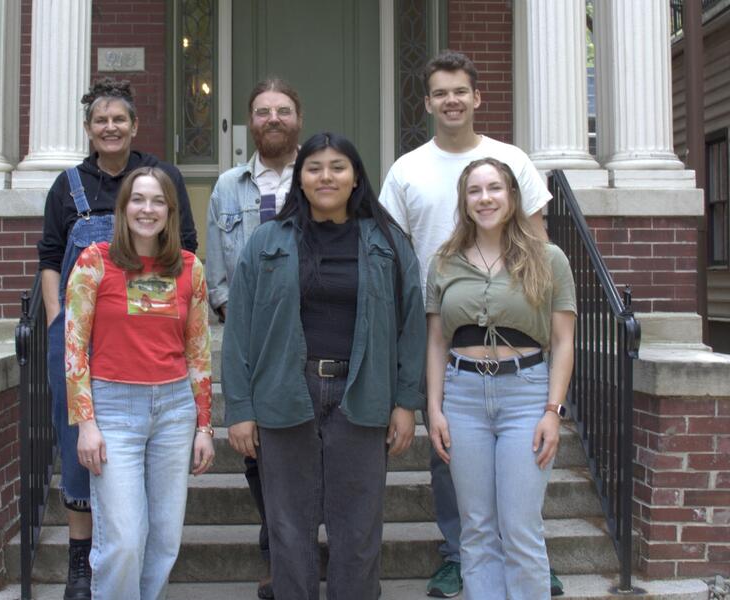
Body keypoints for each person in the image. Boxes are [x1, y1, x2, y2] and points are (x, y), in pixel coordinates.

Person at [378, 50, 553, 598]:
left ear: (477, 98)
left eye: (460, 91)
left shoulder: (511, 160)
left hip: (515, 338)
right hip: (443, 329)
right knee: (448, 451)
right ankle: (458, 553)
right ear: (427, 102)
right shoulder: (407, 169)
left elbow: (541, 245)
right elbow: (392, 250)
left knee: (520, 488)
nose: (451, 101)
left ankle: (521, 556)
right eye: (440, 93)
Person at [222, 132, 426, 600]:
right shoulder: (266, 242)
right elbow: (239, 334)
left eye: (338, 166)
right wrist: (240, 408)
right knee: (288, 528)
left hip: (363, 394)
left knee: (357, 528)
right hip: (285, 395)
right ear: (300, 178)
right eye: (314, 167)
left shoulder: (389, 242)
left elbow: (411, 325)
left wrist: (404, 403)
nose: (326, 176)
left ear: (356, 178)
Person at [36, 77, 197, 600]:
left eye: (119, 119)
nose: (110, 127)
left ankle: (107, 561)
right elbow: (48, 258)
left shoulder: (161, 176)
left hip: (156, 359)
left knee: (150, 518)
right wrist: (60, 319)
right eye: (101, 120)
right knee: (78, 441)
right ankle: (83, 558)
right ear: (88, 129)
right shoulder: (68, 186)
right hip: (85, 342)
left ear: (133, 125)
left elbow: (186, 251)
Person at [425, 158, 576, 600]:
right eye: (475, 190)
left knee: (521, 526)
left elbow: (563, 342)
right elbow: (436, 341)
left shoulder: (548, 258)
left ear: (511, 197)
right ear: (464, 200)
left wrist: (553, 410)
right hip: (464, 395)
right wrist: (434, 408)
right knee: (476, 528)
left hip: (525, 395)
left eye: (494, 188)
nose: (485, 198)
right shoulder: (444, 261)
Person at [65, 166, 214, 600]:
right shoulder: (95, 261)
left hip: (173, 410)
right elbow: (74, 347)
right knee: (125, 539)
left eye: (158, 202)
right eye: (138, 200)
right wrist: (86, 422)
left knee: (164, 540)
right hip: (114, 409)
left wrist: (204, 426)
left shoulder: (190, 268)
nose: (147, 209)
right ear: (123, 207)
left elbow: (199, 352)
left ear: (171, 211)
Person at [205, 77, 302, 600]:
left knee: (310, 444)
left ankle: (301, 543)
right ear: (251, 122)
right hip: (253, 337)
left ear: (298, 119)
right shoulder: (228, 186)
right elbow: (217, 267)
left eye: (282, 110)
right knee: (257, 451)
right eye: (262, 111)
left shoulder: (320, 173)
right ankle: (278, 550)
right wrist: (232, 315)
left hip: (311, 334)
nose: (272, 119)